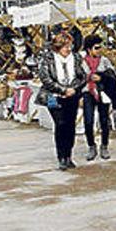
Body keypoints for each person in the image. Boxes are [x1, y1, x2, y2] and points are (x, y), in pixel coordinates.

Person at [36, 33, 87, 171]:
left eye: (69, 46)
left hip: (72, 96)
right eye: (65, 46)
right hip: (53, 96)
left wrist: (74, 89)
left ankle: (69, 155)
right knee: (60, 123)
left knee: (70, 125)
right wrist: (62, 90)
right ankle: (61, 156)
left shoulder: (76, 58)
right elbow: (45, 78)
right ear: (58, 47)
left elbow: (83, 76)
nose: (68, 49)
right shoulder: (48, 59)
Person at [81, 35, 116, 162]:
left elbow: (113, 76)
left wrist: (102, 77)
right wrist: (87, 78)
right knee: (88, 121)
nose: (99, 50)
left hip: (102, 92)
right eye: (96, 47)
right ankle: (91, 146)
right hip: (88, 92)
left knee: (104, 121)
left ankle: (104, 145)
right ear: (88, 49)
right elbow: (77, 77)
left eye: (100, 47)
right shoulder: (81, 61)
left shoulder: (104, 61)